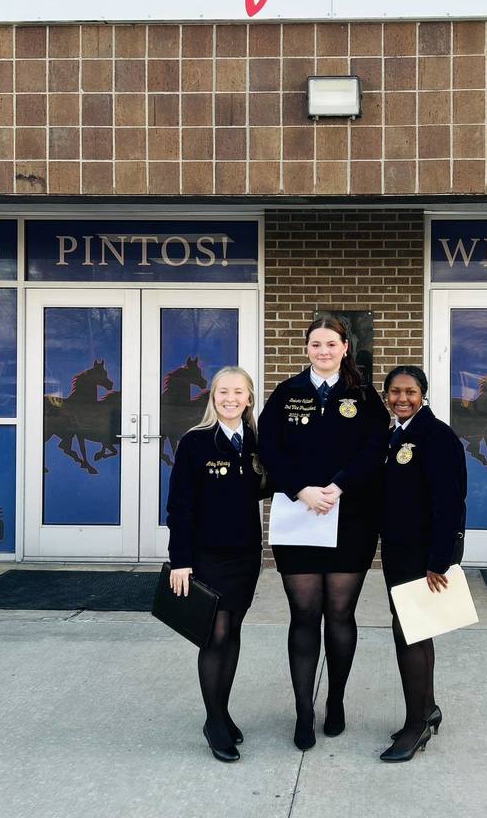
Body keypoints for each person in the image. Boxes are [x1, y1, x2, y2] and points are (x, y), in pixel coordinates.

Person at [258, 317, 389, 751]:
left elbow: (377, 446)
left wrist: (341, 484)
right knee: (303, 616)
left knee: (340, 616)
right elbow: (268, 448)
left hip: (350, 517)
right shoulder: (286, 393)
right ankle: (303, 712)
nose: (323, 351)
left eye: (331, 344)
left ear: (345, 347)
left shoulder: (365, 396)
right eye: (316, 344)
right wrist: (300, 489)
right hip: (298, 517)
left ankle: (334, 701)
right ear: (307, 349)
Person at [166, 366, 270, 763]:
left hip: (245, 552)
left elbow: (278, 480)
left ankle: (223, 711)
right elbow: (180, 506)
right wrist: (181, 561)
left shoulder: (256, 442)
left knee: (235, 630)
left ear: (249, 398)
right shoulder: (195, 443)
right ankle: (213, 722)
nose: (230, 398)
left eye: (238, 392)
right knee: (215, 633)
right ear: (213, 397)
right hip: (207, 554)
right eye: (222, 391)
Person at [379, 365, 467, 763]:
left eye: (410, 392)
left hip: (422, 554)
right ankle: (426, 708)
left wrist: (439, 560)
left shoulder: (436, 436)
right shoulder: (394, 433)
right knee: (412, 629)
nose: (402, 399)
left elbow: (449, 503)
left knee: (412, 634)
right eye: (395, 392)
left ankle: (415, 727)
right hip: (398, 549)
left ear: (423, 394)